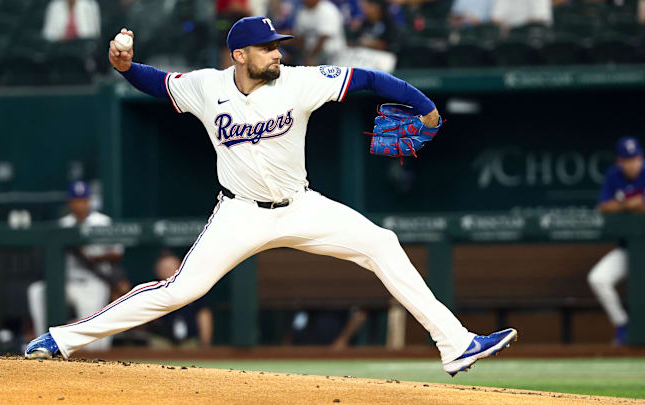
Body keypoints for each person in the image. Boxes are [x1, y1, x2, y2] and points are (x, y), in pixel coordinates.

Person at [26, 16, 517, 376]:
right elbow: (156, 84)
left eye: (277, 45)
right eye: (266, 48)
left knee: (382, 243)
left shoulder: (299, 83)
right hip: (239, 214)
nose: (277, 53)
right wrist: (126, 67)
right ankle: (60, 340)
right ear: (240, 55)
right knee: (181, 291)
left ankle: (454, 344)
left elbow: (368, 78)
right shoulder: (206, 87)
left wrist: (424, 106)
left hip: (302, 206)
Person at [27, 181, 124, 351]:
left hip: (92, 281)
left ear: (89, 201)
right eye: (76, 200)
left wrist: (91, 256)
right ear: (70, 202)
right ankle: (44, 344)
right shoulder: (63, 224)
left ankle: (92, 356)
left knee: (94, 342)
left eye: (83, 200)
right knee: (37, 291)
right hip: (66, 282)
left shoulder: (102, 222)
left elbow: (117, 253)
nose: (80, 204)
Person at [587, 137, 645, 346]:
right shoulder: (614, 175)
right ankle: (623, 325)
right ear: (620, 161)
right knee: (598, 278)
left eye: (636, 158)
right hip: (629, 249)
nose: (633, 163)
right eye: (628, 160)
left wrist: (625, 203)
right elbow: (604, 206)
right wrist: (629, 203)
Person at [147, 250, 213, 349]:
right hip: (160, 341)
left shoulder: (193, 289)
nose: (168, 272)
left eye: (172, 268)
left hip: (189, 342)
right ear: (157, 271)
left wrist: (205, 342)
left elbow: (203, 314)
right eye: (164, 269)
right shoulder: (151, 291)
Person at [293, 0, 347, 65]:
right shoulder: (302, 11)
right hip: (312, 53)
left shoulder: (328, 10)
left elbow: (323, 39)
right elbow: (300, 37)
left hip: (333, 55)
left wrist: (311, 58)